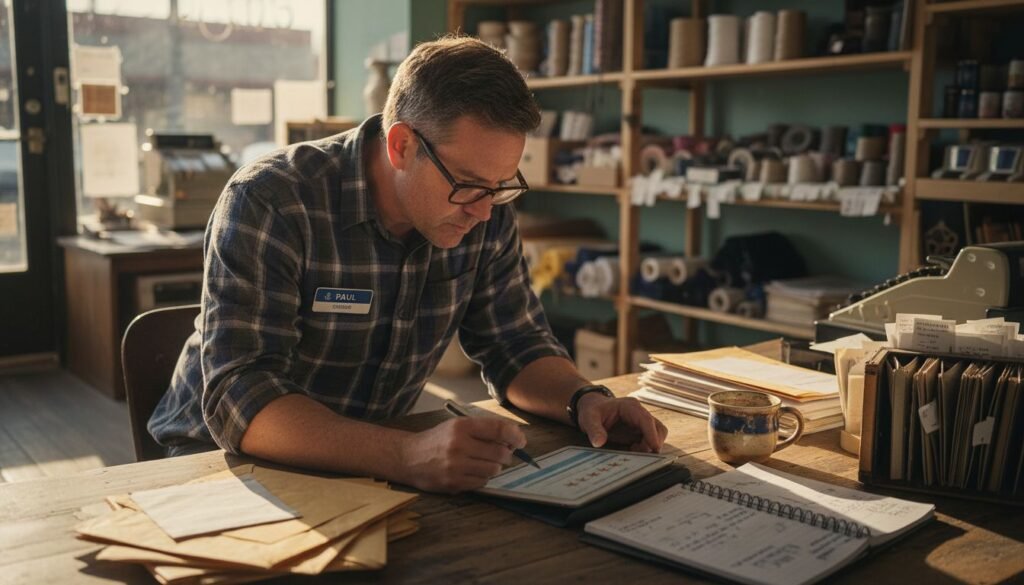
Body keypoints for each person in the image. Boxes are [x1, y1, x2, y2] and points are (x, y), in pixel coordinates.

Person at [149, 36, 668, 494]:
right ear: (401, 145)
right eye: (468, 184)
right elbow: (242, 393)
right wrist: (405, 455)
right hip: (220, 464)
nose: (485, 210)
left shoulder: (482, 209)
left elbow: (516, 344)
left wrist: (584, 400)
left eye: (500, 186)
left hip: (373, 463)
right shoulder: (272, 201)